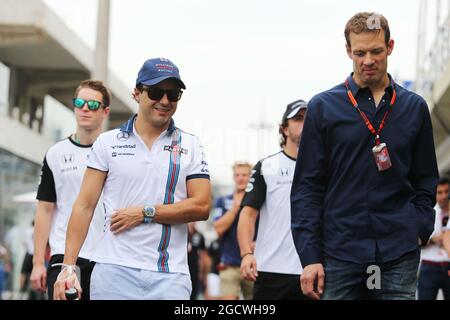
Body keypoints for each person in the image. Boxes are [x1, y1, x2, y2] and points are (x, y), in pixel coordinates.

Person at [291, 12, 439, 300]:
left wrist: (420, 227)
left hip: (399, 251)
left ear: (391, 47)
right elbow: (307, 187)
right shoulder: (322, 108)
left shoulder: (414, 108)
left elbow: (426, 177)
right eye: (359, 53)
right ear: (348, 51)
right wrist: (310, 256)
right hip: (340, 251)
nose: (367, 60)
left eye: (376, 51)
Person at [53, 57, 211, 300]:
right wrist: (68, 267)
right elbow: (84, 205)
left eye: (173, 94)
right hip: (113, 272)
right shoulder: (108, 142)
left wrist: (145, 213)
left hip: (170, 276)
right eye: (156, 92)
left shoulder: (191, 144)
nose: (165, 101)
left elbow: (201, 206)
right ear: (137, 93)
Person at [30, 80, 111, 300]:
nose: (85, 108)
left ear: (105, 111)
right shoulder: (55, 153)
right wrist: (38, 262)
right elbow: (45, 210)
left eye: (93, 105)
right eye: (80, 102)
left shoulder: (114, 152)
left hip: (106, 259)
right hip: (63, 258)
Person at [238, 99, 308, 300]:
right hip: (270, 269)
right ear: (285, 129)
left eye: (309, 119)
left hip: (310, 269)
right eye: (298, 119)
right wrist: (246, 254)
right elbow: (248, 214)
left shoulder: (324, 167)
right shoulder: (267, 166)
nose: (305, 123)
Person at [212, 162, 253, 300]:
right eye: (237, 175)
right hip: (229, 264)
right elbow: (218, 229)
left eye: (244, 174)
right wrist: (235, 208)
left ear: (250, 177)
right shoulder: (222, 201)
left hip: (253, 264)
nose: (240, 178)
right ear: (233, 177)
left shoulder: (257, 202)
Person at [418, 177, 450, 299]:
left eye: (447, 192)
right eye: (440, 192)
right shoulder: (428, 213)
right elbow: (417, 241)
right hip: (429, 264)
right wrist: (435, 239)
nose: (444, 196)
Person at [187, 222, 208, 300]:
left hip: (195, 270)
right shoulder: (181, 234)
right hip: (182, 268)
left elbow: (202, 256)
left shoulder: (199, 235)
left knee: (194, 294)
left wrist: (202, 273)